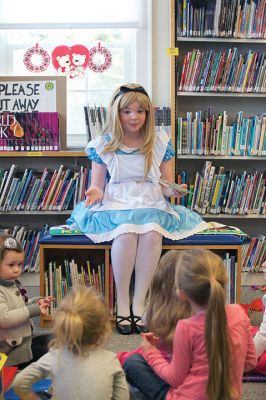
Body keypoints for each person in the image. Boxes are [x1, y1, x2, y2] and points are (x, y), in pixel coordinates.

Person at [67, 83, 207, 335]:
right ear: (116, 113)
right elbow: (97, 184)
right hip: (118, 200)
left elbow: (165, 184)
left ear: (148, 114)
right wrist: (95, 192)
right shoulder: (103, 144)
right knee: (126, 233)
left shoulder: (160, 142)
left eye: (140, 111)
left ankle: (140, 301)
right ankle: (123, 301)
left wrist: (173, 191)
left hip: (150, 199)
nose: (134, 117)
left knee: (152, 232)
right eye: (127, 111)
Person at [124, 249, 257, 400]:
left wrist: (151, 351)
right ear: (225, 281)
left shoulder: (186, 327)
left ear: (180, 293)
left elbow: (175, 379)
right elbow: (251, 362)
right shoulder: (239, 313)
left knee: (132, 363)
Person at [13, 286, 130, 400]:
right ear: (104, 329)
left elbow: (19, 383)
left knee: (43, 393)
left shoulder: (55, 356)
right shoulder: (111, 360)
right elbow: (123, 397)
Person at [117, 250, 191, 366]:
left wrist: (118, 358)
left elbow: (173, 375)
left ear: (157, 282)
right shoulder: (202, 314)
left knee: (132, 363)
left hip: (167, 371)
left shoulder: (154, 316)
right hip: (188, 371)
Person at [0, 235, 53, 367]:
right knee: (50, 356)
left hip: (24, 340)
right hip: (13, 352)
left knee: (54, 339)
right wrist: (33, 309)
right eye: (11, 265)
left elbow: (19, 306)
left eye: (20, 264)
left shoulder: (11, 283)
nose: (17, 269)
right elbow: (5, 318)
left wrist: (36, 303)